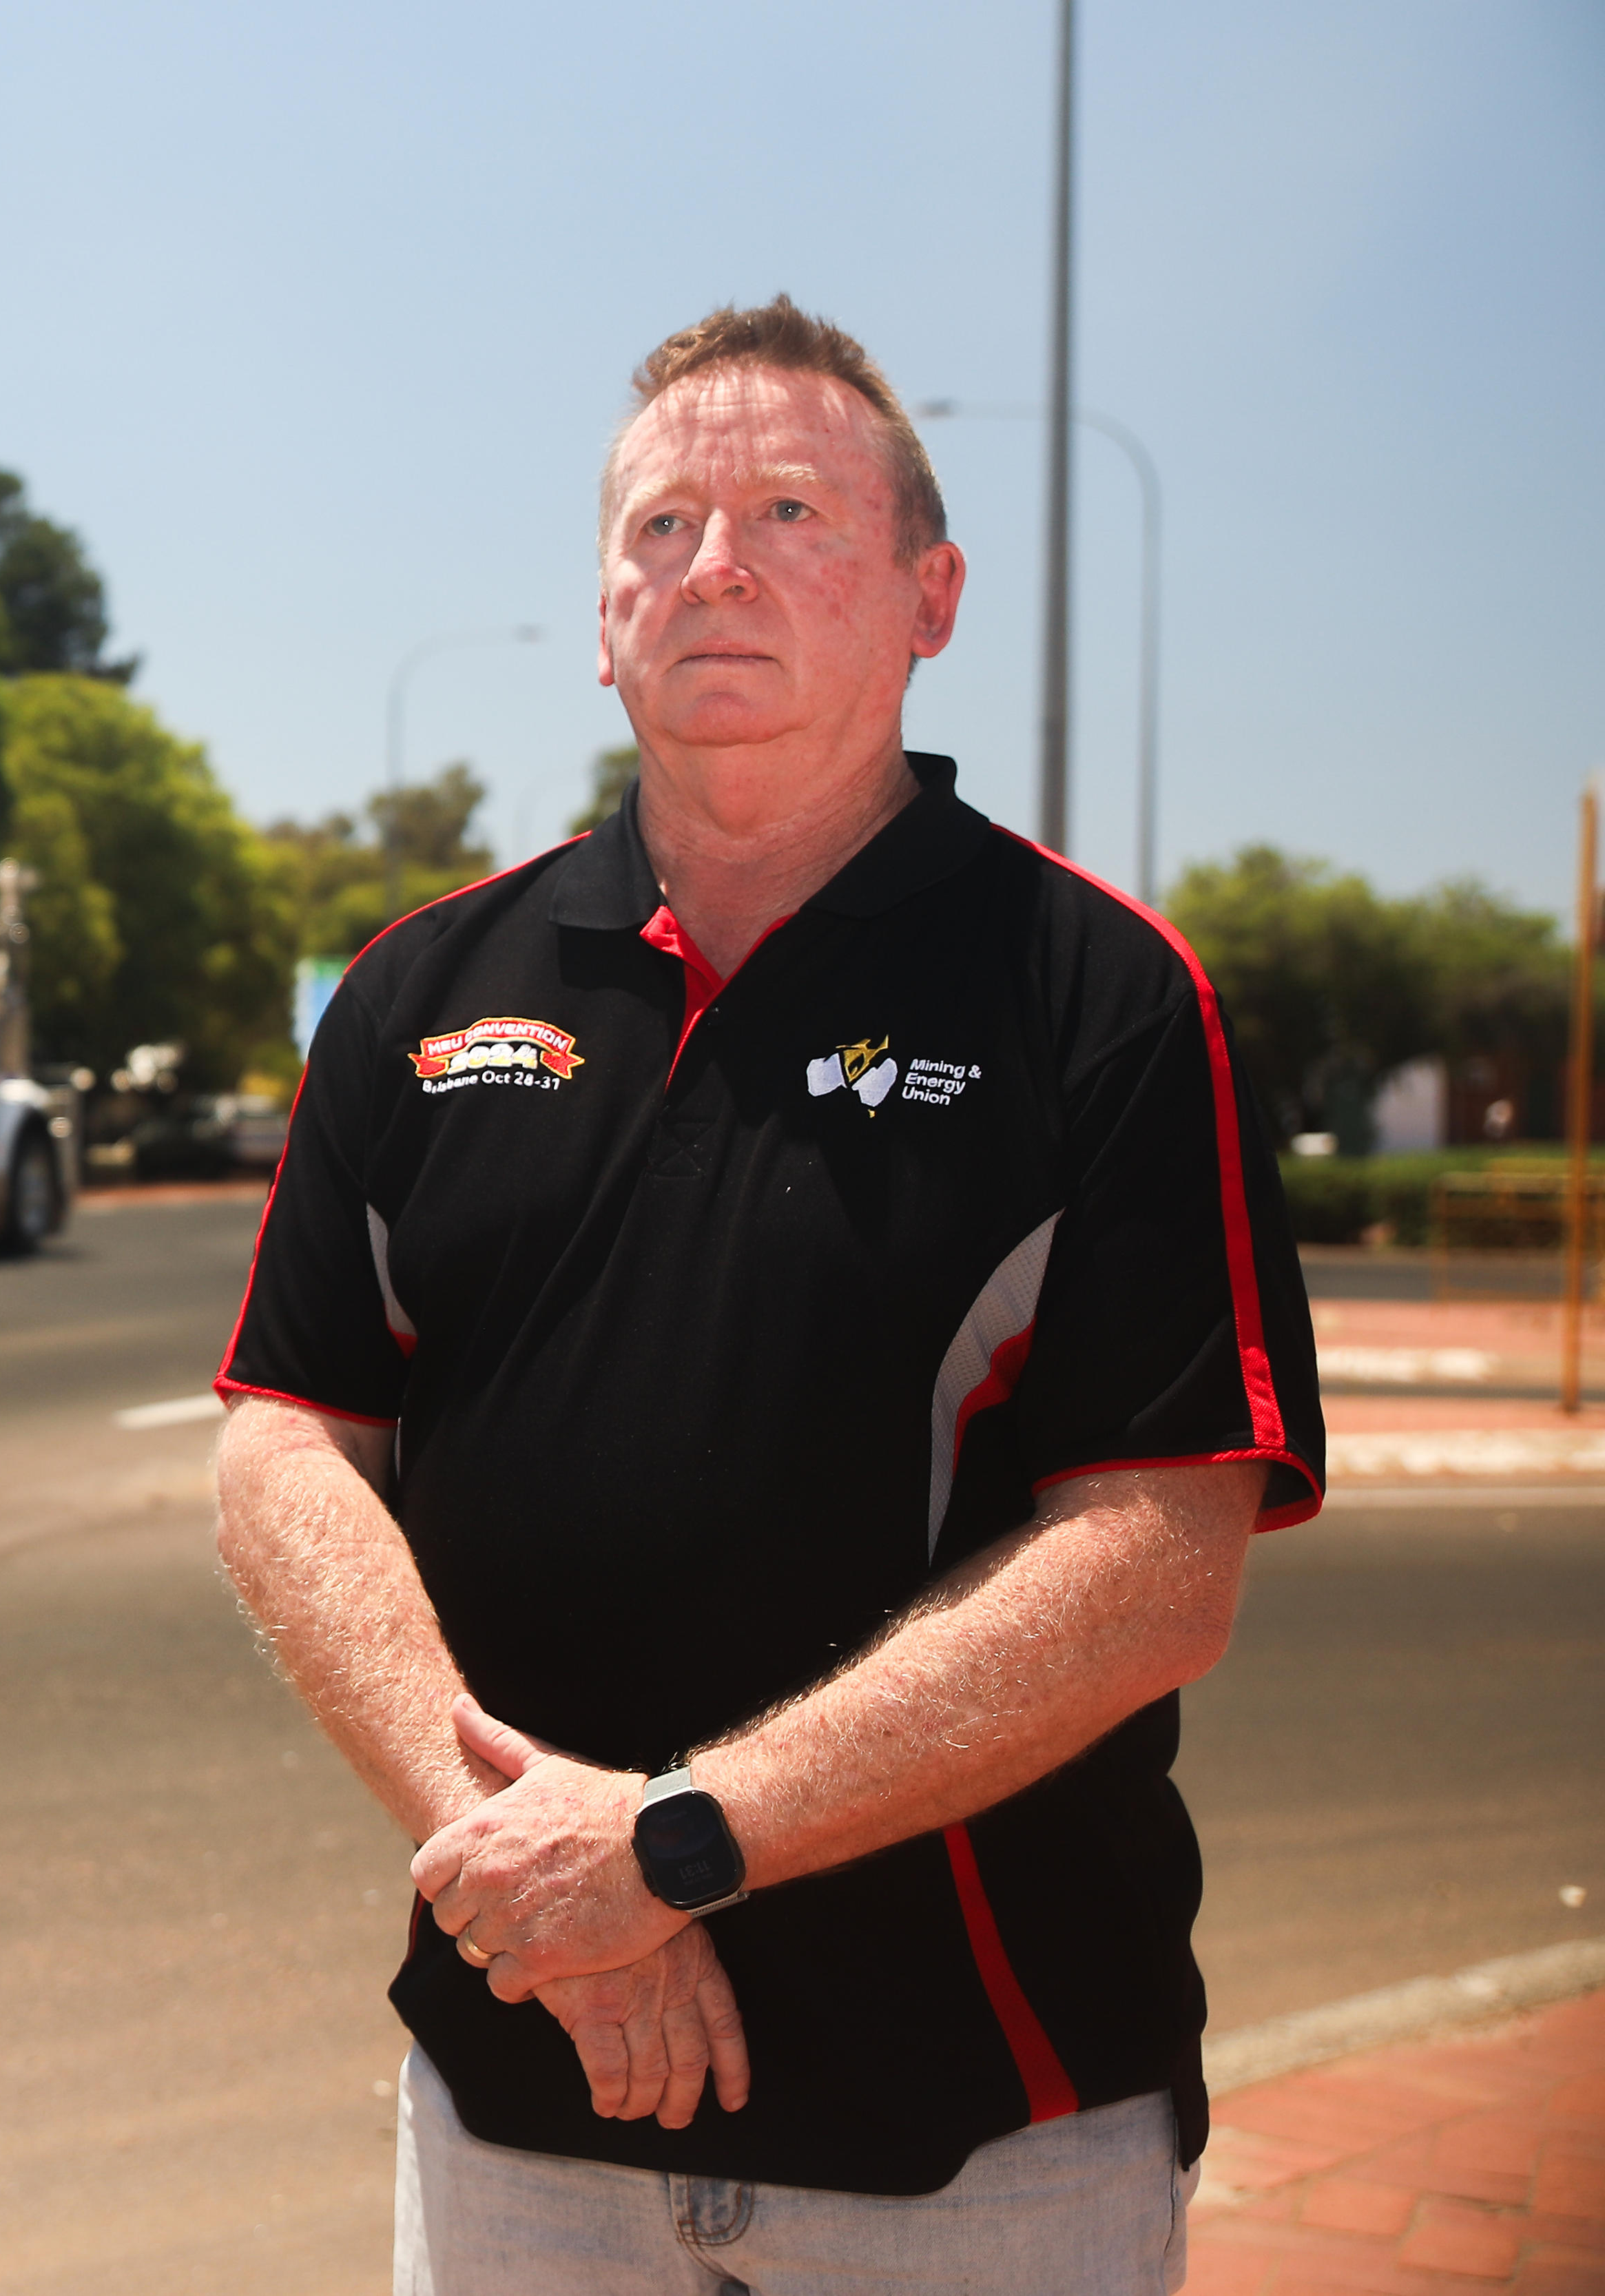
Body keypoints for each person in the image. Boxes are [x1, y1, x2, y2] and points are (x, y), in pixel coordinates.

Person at [209, 297, 1323, 2293]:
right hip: (515, 2098)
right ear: (606, 604)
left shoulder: (1103, 1002)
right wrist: (534, 1892)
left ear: (930, 594)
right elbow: (285, 1448)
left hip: (982, 2137)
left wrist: (662, 1852)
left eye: (793, 509)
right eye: (660, 526)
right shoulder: (420, 995)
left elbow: (1161, 1561)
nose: (711, 564)